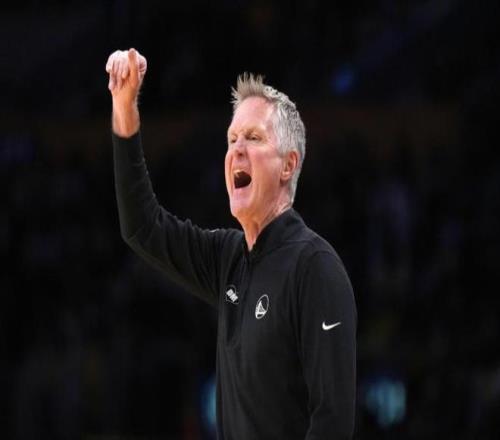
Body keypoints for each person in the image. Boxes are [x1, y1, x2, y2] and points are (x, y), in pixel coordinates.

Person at [106, 48, 357, 439]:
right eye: (232, 138)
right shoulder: (228, 260)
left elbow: (333, 421)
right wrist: (124, 106)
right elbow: (142, 227)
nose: (236, 149)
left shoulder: (315, 267)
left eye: (253, 138)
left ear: (288, 165)